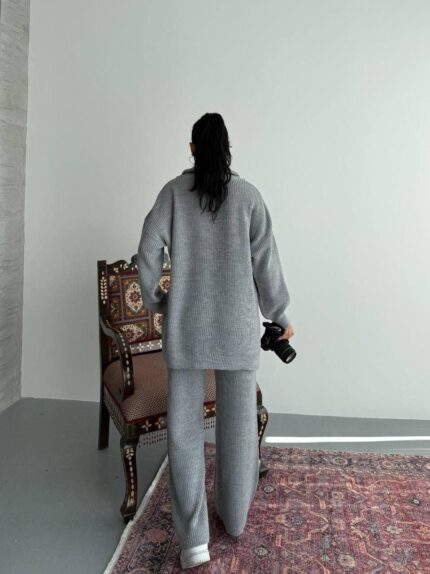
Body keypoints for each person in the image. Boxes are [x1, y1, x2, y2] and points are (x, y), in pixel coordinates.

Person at [137, 112, 294, 570]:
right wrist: (281, 315)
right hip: (238, 331)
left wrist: (160, 301)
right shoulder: (248, 197)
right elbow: (267, 264)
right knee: (239, 429)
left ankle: (194, 542)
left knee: (184, 435)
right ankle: (236, 517)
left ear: (192, 149)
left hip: (186, 329)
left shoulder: (172, 194)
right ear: (228, 149)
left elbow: (147, 254)